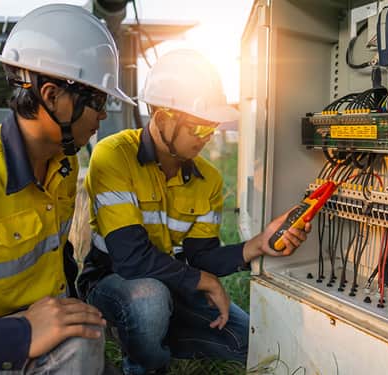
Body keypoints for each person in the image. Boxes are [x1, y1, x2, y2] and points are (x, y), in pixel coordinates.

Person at [77, 49, 311, 375]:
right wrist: (205, 282)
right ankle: (144, 360)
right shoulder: (113, 156)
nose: (208, 137)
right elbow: (130, 259)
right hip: (112, 282)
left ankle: (155, 332)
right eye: (198, 127)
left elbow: (200, 256)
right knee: (148, 298)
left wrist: (258, 244)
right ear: (161, 119)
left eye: (211, 126)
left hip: (173, 283)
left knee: (249, 342)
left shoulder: (208, 179)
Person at [0, 4, 133, 374]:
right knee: (82, 348)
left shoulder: (64, 165)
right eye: (98, 100)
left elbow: (56, 250)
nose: (103, 114)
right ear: (51, 96)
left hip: (38, 320)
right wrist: (19, 335)